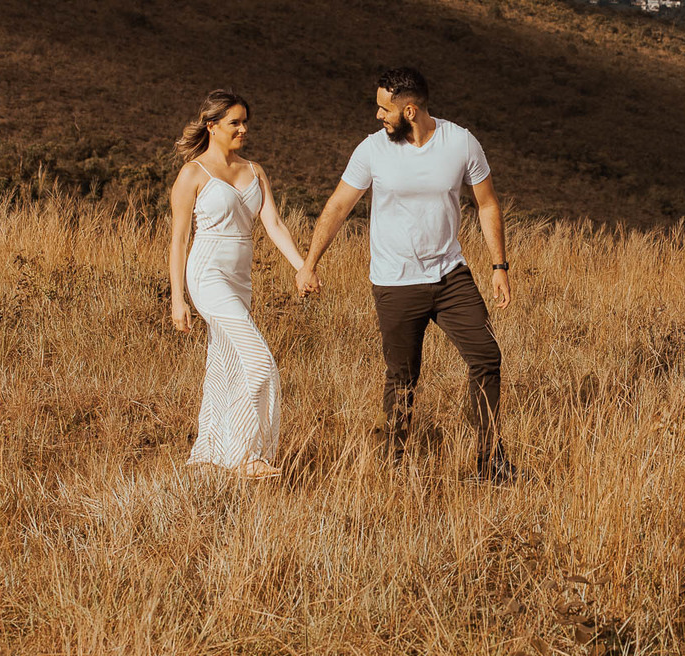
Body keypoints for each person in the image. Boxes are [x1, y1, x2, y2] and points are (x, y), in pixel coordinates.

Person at [295, 67, 516, 482]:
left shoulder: (461, 142)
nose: (378, 115)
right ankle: (393, 466)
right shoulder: (372, 150)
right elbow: (339, 206)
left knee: (486, 357)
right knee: (402, 377)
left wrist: (499, 265)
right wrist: (310, 263)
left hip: (451, 277)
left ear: (409, 110)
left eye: (384, 109)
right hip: (395, 282)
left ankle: (491, 462)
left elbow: (487, 204)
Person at [169, 90, 305, 479]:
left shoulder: (254, 170)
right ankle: (247, 456)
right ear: (212, 126)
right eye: (235, 122)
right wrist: (178, 300)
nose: (244, 129)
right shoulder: (193, 174)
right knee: (259, 363)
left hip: (240, 281)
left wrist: (301, 267)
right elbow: (179, 239)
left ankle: (208, 455)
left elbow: (274, 225)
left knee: (223, 365)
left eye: (246, 121)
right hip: (207, 275)